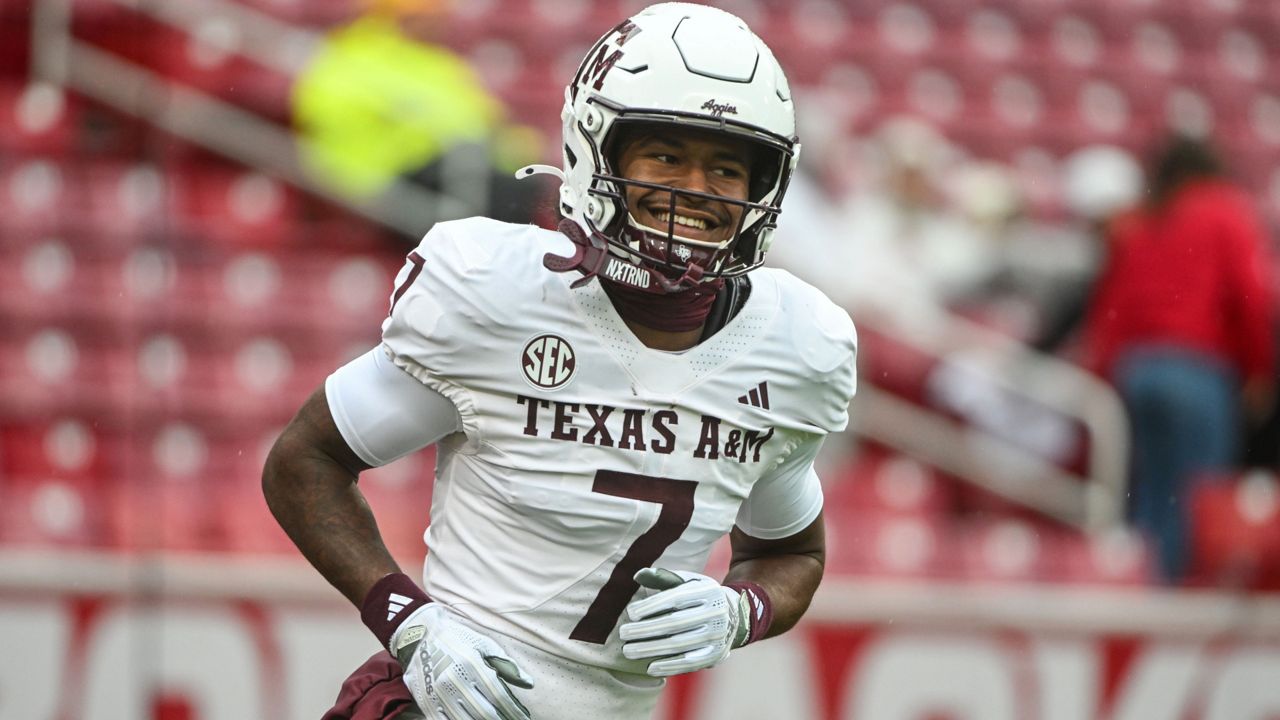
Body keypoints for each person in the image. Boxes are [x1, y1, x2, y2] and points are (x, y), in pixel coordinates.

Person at [262, 4, 857, 719]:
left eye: (727, 168)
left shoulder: (794, 342)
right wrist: (409, 620)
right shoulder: (497, 294)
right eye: (666, 155)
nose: (696, 188)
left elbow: (794, 553)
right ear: (597, 151)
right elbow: (305, 461)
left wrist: (743, 611)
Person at [1081, 134, 1276, 583]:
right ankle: (1174, 607)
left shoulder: (1142, 222)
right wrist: (1259, 371)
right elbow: (1249, 298)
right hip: (1197, 370)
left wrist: (1107, 374)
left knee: (1151, 492)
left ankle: (1139, 600)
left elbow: (1112, 309)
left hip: (1138, 370)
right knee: (1197, 498)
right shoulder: (1224, 211)